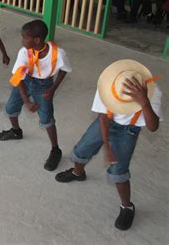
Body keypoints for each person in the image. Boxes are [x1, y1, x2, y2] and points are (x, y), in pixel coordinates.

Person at [55, 60, 162, 231]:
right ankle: (78, 172)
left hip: (129, 130)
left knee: (119, 170)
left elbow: (153, 126)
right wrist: (107, 148)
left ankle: (127, 207)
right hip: (107, 121)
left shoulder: (153, 93)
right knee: (82, 149)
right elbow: (103, 118)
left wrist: (144, 102)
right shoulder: (108, 83)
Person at [0, 20, 71, 172]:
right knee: (10, 108)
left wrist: (53, 88)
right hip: (25, 80)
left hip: (44, 84)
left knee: (46, 118)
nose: (21, 40)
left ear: (37, 40)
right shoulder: (24, 52)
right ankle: (16, 131)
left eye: (24, 37)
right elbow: (19, 78)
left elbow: (65, 69)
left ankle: (55, 150)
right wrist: (26, 101)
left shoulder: (58, 54)